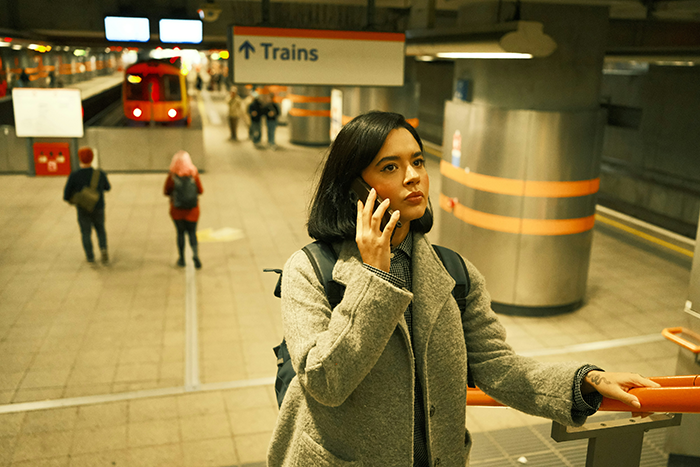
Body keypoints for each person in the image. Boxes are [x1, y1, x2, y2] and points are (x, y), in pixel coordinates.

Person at [267, 111, 660, 466]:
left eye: (417, 162)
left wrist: (584, 381)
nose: (413, 176)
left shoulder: (454, 273)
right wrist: (375, 276)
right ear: (353, 187)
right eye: (390, 166)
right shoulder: (311, 270)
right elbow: (325, 382)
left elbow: (498, 367)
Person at [63, 147, 111, 264]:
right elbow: (108, 187)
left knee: (86, 232)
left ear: (79, 158)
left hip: (83, 209)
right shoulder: (99, 173)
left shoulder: (74, 175)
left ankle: (90, 256)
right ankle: (103, 249)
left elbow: (66, 195)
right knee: (100, 229)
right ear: (92, 158)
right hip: (98, 207)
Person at [164, 151, 203, 269]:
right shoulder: (194, 174)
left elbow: (166, 191)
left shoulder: (172, 176)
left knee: (180, 234)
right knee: (192, 233)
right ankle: (196, 256)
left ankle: (181, 258)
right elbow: (200, 190)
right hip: (192, 211)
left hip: (177, 211)